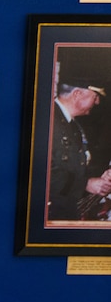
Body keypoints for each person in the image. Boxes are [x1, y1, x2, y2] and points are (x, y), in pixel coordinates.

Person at [49, 72, 109, 221]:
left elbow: (75, 166)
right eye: (95, 96)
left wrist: (101, 175)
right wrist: (85, 184)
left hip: (65, 211)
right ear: (77, 94)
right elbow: (40, 172)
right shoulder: (47, 120)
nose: (97, 102)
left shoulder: (73, 126)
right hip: (47, 215)